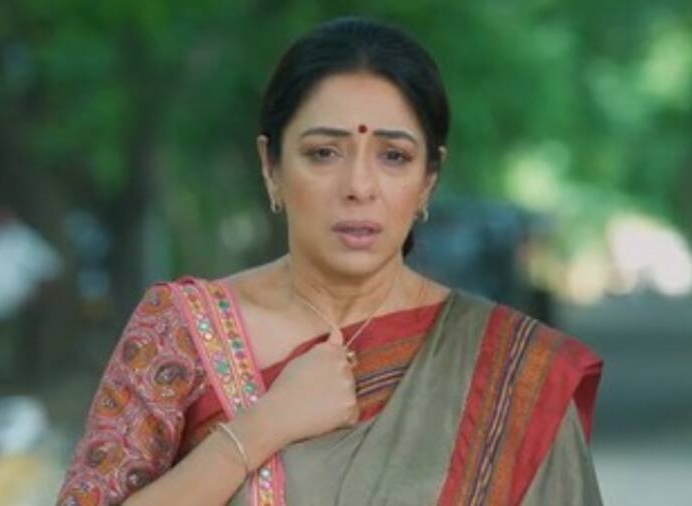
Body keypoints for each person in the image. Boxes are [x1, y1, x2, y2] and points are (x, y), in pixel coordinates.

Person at [57, 16, 603, 506]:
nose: (359, 186)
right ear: (271, 166)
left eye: (394, 156)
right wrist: (262, 428)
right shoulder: (178, 332)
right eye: (323, 153)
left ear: (427, 180)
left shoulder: (514, 372)